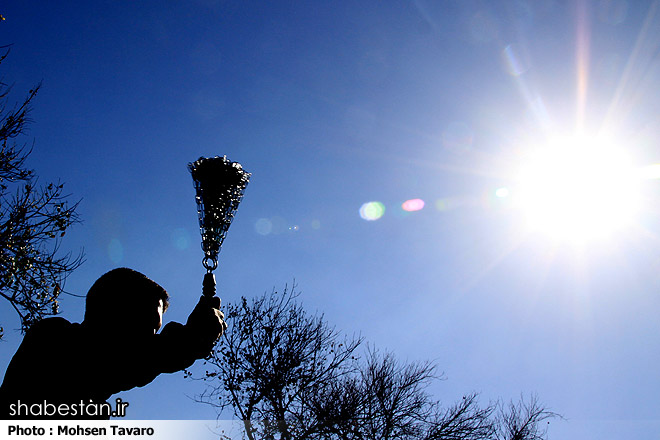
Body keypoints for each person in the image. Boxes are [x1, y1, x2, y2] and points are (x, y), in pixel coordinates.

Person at [0, 268, 227, 419]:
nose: (150, 338)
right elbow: (122, 360)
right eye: (145, 325)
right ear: (112, 312)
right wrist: (190, 340)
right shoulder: (52, 339)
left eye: (154, 330)